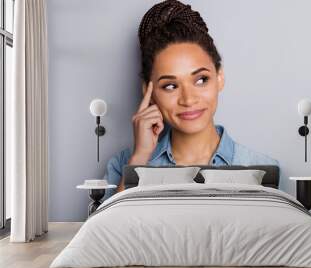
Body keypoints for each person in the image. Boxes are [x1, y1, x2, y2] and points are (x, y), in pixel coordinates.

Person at [103, 0, 280, 200]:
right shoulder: (123, 165)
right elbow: (105, 230)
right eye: (170, 85)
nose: (188, 100)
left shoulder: (261, 168)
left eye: (201, 79)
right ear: (148, 91)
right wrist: (140, 158)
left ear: (219, 77)